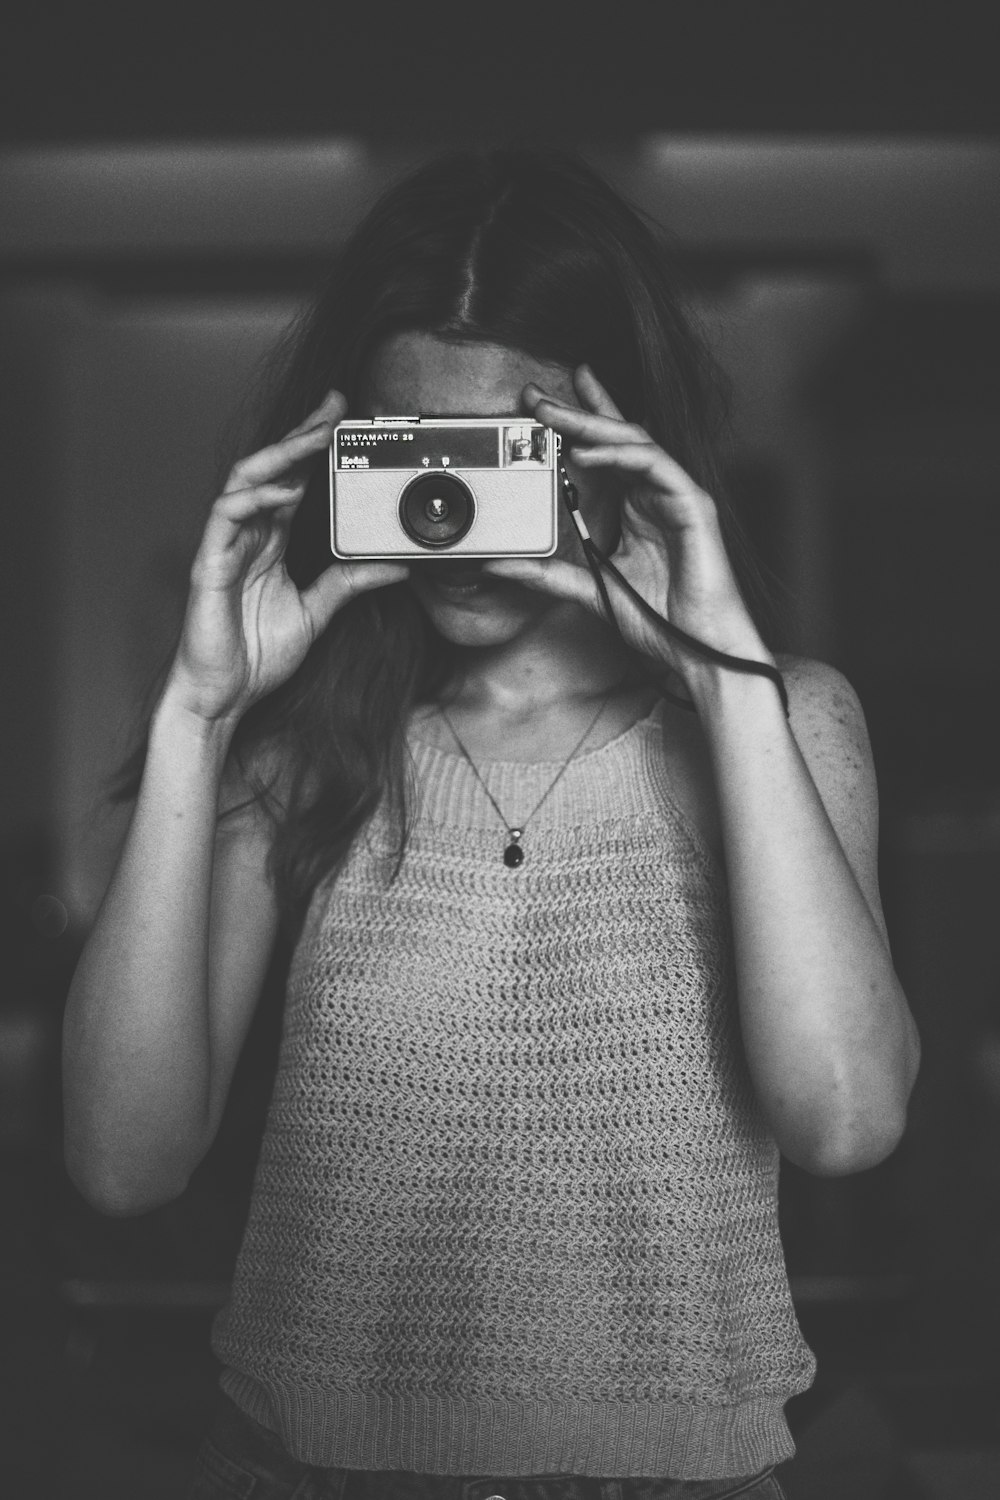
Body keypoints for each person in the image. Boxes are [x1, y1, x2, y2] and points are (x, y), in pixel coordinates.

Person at [62, 148, 921, 1500]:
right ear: (347, 455)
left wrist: (721, 674)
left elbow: (847, 1120)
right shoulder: (295, 755)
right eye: (416, 457)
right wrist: (197, 713)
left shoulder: (787, 721)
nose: (452, 519)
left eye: (502, 458)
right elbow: (123, 1161)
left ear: (616, 447)